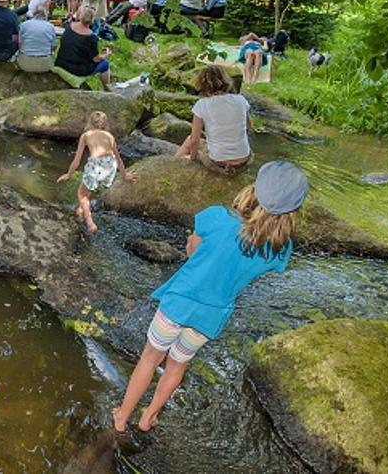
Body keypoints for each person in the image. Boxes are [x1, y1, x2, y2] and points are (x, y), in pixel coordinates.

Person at [114, 161, 305, 433]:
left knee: (150, 358)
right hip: (212, 316)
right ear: (293, 211)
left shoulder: (217, 217)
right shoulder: (279, 249)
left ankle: (121, 418)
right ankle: (148, 418)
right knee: (177, 365)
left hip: (179, 302)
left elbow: (193, 251)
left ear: (254, 189)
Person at [57, 111, 135, 233]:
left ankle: (90, 223)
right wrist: (125, 175)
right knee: (89, 190)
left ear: (90, 122)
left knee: (81, 194)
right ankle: (80, 211)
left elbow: (77, 160)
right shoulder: (109, 136)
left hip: (96, 166)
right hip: (110, 166)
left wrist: (68, 174)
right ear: (105, 123)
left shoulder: (86, 135)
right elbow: (119, 159)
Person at [176, 64, 253, 174]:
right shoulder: (241, 100)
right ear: (226, 80)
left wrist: (193, 158)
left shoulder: (201, 104)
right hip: (245, 160)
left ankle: (171, 165)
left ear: (203, 84)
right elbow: (249, 126)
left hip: (218, 163)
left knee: (189, 140)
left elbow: (194, 140)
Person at [55, 6, 113, 88]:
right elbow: (95, 59)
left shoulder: (69, 26)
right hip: (77, 69)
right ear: (92, 20)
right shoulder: (91, 37)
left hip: (61, 62)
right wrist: (106, 54)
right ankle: (107, 89)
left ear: (80, 16)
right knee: (105, 64)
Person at [16, 5, 58, 72]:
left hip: (24, 64)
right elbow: (53, 46)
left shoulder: (24, 25)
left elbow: (19, 44)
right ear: (45, 14)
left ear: (32, 13)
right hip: (46, 65)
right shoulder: (50, 26)